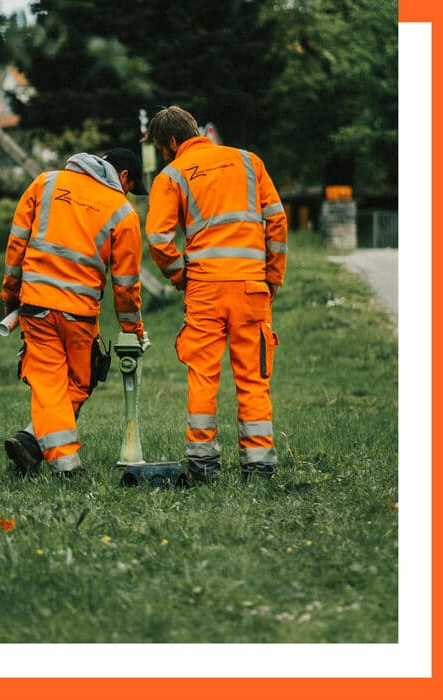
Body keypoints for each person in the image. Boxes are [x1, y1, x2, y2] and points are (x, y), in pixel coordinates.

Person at [144, 106, 287, 483]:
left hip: (205, 290)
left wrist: (180, 276)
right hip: (251, 287)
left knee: (203, 375)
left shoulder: (172, 175)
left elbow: (159, 238)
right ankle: (258, 466)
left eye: (162, 149)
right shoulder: (247, 161)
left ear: (172, 142)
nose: (165, 156)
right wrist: (272, 276)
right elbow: (276, 218)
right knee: (253, 377)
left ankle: (203, 465)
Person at [0, 148, 149, 477]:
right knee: (79, 383)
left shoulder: (46, 183)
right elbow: (126, 286)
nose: (127, 193)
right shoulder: (122, 212)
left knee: (53, 382)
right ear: (124, 176)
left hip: (36, 305)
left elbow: (17, 244)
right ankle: (67, 466)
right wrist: (133, 330)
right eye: (131, 186)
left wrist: (10, 295)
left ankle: (30, 440)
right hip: (79, 314)